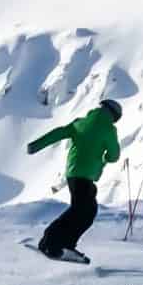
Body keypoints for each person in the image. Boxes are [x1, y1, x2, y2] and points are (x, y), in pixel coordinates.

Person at [26, 99, 122, 262]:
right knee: (82, 211)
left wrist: (36, 145)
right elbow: (114, 155)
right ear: (114, 116)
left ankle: (60, 243)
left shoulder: (80, 123)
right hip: (85, 176)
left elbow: (58, 133)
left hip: (73, 174)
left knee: (84, 210)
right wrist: (105, 157)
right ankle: (51, 241)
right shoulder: (109, 129)